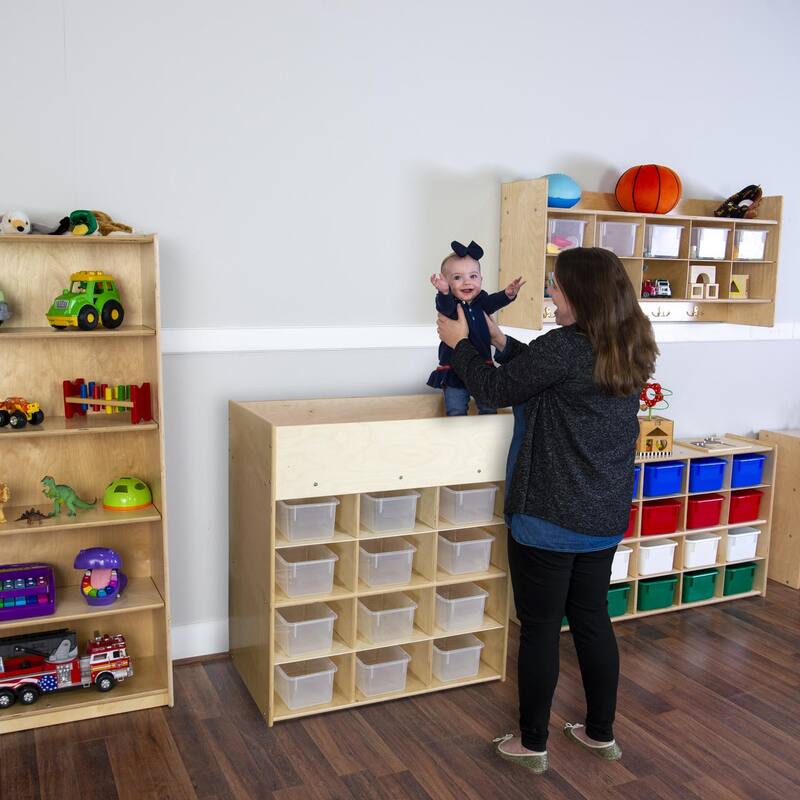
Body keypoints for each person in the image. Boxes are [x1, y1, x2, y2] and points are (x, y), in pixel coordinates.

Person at [436, 247, 659, 774]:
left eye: (556, 286)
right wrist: (500, 342)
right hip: (602, 515)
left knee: (539, 629)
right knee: (591, 619)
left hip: (548, 515)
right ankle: (599, 733)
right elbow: (552, 377)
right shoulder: (629, 344)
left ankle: (531, 743)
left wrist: (461, 346)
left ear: (580, 294)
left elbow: (494, 386)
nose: (550, 294)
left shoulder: (564, 346)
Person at [427, 239, 525, 416]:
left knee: (488, 407)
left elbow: (494, 301)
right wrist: (443, 292)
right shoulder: (450, 306)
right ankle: (458, 436)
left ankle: (485, 434)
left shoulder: (482, 301)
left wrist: (507, 295)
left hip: (482, 367)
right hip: (454, 369)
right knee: (455, 409)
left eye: (473, 276)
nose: (467, 282)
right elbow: (444, 306)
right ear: (447, 283)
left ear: (481, 279)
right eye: (457, 277)